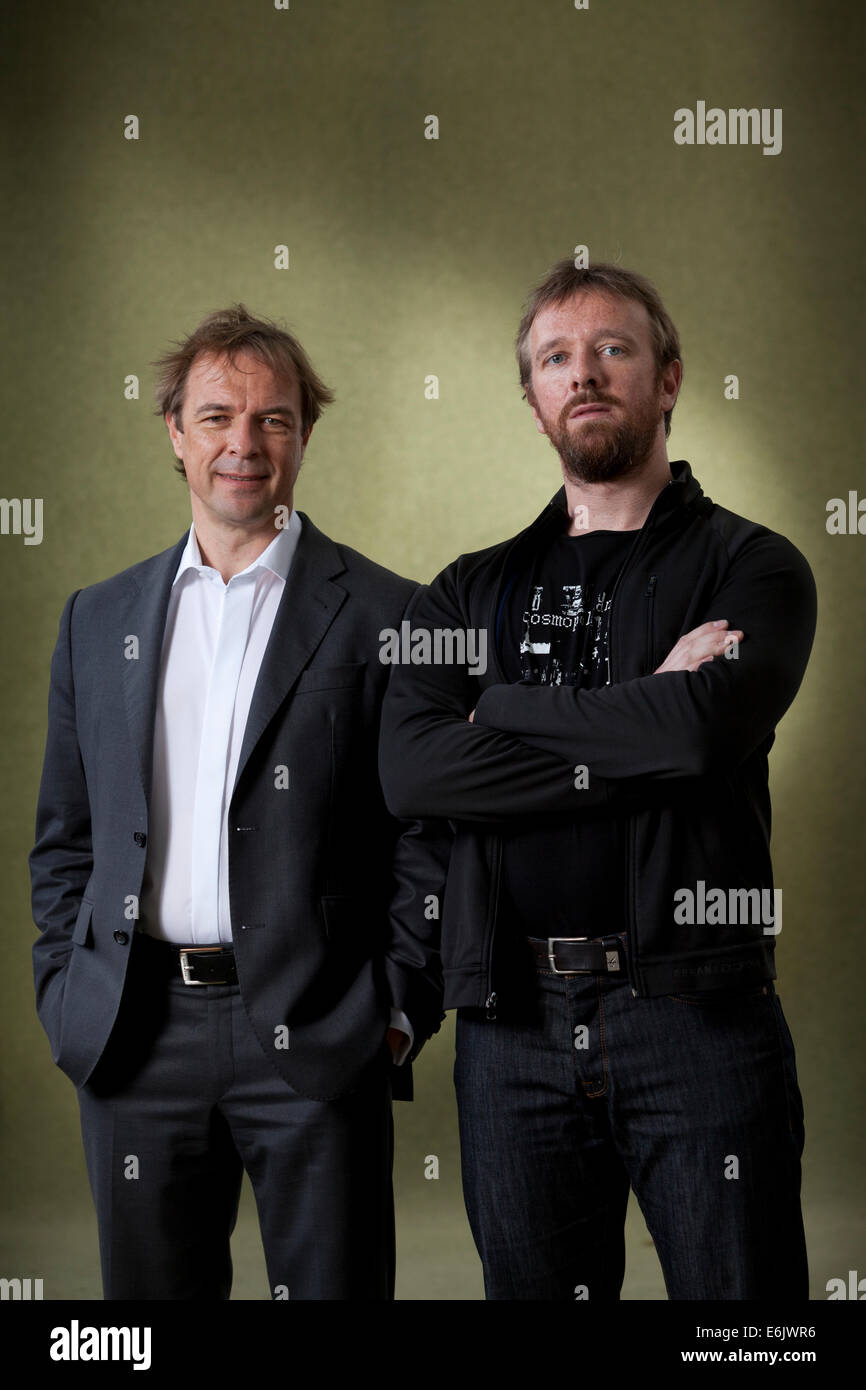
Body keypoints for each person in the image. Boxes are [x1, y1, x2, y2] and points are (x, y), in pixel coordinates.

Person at [379, 261, 816, 1300]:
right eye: (554, 359)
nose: (583, 375)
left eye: (612, 349)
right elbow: (411, 768)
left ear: (666, 379)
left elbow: (702, 734)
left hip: (695, 1014)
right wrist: (642, 719)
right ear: (532, 402)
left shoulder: (753, 566)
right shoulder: (461, 591)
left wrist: (501, 710)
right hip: (508, 1023)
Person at [30, 304, 447, 1301]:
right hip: (133, 1036)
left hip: (316, 1032)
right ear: (174, 432)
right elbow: (66, 839)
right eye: (218, 417)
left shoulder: (390, 615)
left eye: (274, 420)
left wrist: (392, 1013)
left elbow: (431, 838)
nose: (243, 444)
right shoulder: (98, 618)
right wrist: (64, 986)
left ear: (305, 435)